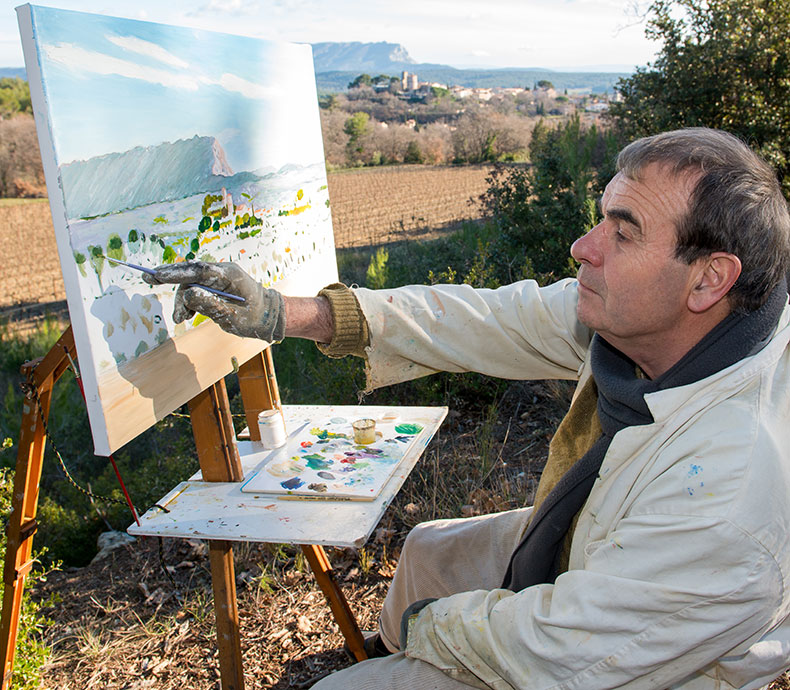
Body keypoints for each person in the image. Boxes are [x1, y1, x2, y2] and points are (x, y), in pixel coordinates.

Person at [145, 128, 790, 690]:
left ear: (709, 279)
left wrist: (433, 629)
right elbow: (481, 319)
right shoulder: (664, 323)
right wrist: (285, 312)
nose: (583, 247)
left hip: (630, 664)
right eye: (602, 218)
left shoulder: (730, 490)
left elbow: (559, 655)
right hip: (602, 544)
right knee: (427, 551)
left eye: (623, 233)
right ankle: (388, 644)